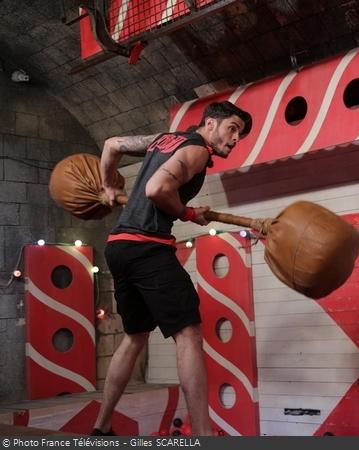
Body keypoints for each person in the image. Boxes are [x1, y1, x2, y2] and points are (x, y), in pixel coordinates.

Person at [91, 101, 252, 436]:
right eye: (233, 128)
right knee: (188, 333)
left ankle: (102, 425)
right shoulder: (198, 150)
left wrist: (109, 187)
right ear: (210, 124)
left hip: (118, 246)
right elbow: (156, 189)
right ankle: (204, 434)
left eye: (241, 134)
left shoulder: (163, 139)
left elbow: (112, 145)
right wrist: (189, 214)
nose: (236, 138)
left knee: (134, 337)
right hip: (147, 246)